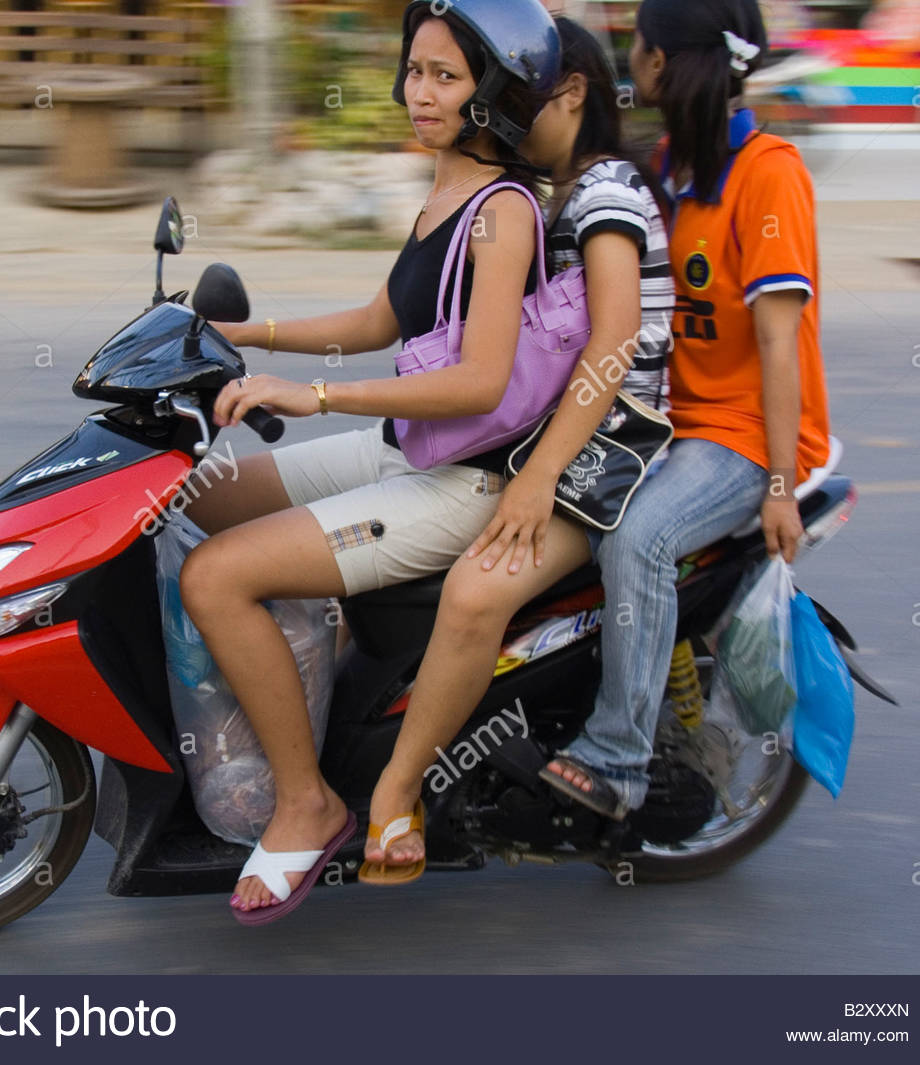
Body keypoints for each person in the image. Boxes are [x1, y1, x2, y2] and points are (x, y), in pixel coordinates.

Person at [178, 0, 560, 922]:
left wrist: (306, 396)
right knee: (201, 497)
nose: (417, 93)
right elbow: (381, 322)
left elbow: (478, 381)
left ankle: (308, 801)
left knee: (216, 577)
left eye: (445, 77)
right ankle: (305, 690)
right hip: (403, 447)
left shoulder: (502, 212)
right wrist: (238, 334)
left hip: (461, 482)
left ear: (494, 94)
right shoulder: (443, 190)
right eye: (414, 71)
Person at [359, 15, 676, 878]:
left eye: (518, 89)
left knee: (472, 593)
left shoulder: (605, 190)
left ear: (567, 94)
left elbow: (611, 346)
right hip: (551, 430)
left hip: (612, 442)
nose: (499, 107)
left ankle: (397, 788)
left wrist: (538, 478)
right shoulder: (546, 193)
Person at [538, 0, 832, 820]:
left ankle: (619, 758)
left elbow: (779, 344)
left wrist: (778, 483)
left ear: (665, 63)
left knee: (640, 536)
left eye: (638, 45)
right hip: (666, 421)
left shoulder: (769, 171)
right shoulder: (668, 167)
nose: (631, 59)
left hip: (741, 437)